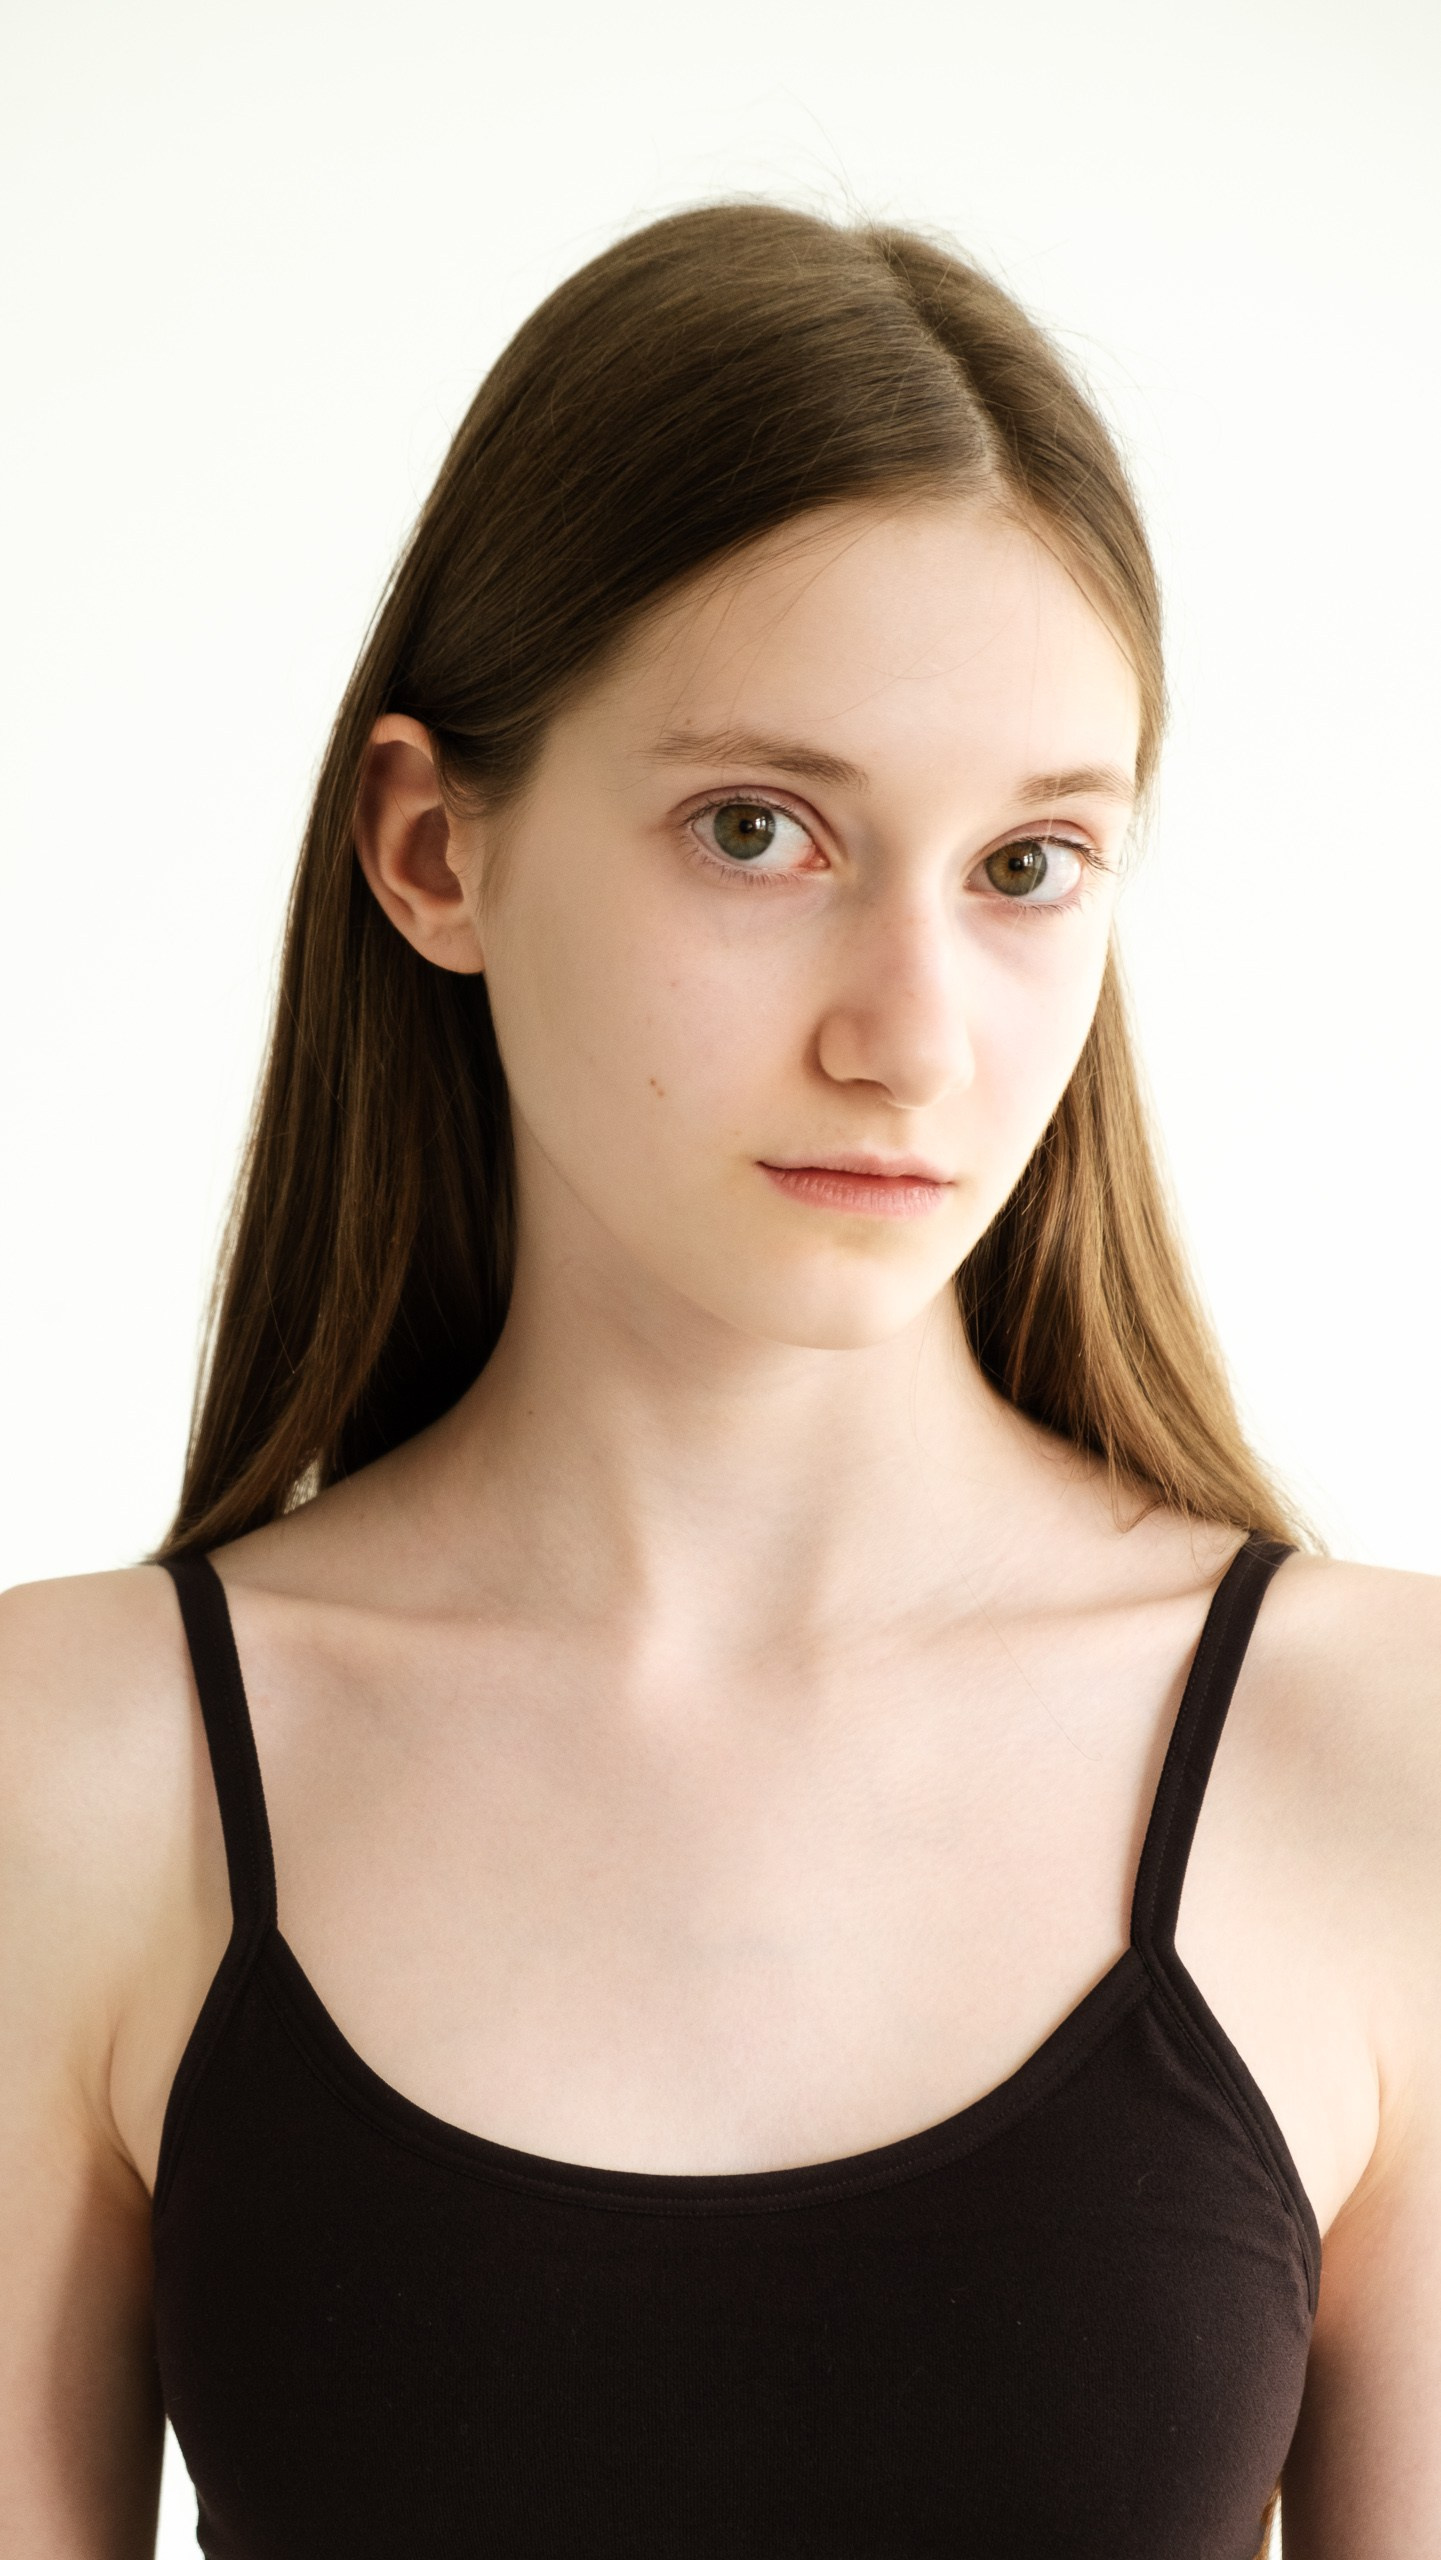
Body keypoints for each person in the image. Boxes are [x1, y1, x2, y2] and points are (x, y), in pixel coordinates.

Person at [1, 201, 1436, 2560]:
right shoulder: (77, 1770)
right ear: (432, 847)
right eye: (758, 830)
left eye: (1028, 863)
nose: (913, 1035)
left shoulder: (1385, 1761)